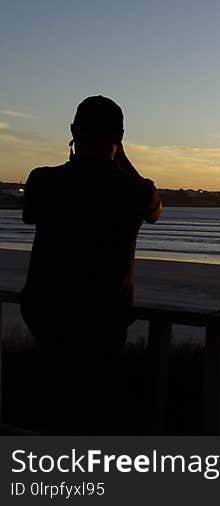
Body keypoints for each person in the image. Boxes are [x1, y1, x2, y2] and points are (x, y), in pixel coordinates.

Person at [20, 96, 162, 432]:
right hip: (103, 319)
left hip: (46, 313)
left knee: (51, 412)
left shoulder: (42, 180)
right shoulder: (135, 189)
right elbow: (154, 211)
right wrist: (123, 159)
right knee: (93, 416)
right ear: (120, 137)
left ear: (73, 131)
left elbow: (30, 215)